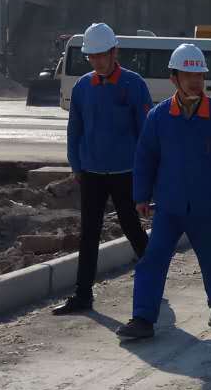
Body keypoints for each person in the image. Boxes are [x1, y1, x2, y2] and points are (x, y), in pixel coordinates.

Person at [119, 44, 211, 341]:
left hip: (208, 205)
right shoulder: (159, 116)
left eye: (199, 75)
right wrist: (141, 196)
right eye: (188, 75)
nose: (194, 81)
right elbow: (145, 158)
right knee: (153, 259)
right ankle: (143, 318)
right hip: (169, 206)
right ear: (174, 78)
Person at [55, 22, 152, 315]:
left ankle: (154, 275)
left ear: (114, 52)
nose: (97, 61)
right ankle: (83, 295)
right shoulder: (83, 87)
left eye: (101, 55)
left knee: (131, 226)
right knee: (89, 233)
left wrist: (147, 173)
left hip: (125, 172)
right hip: (92, 173)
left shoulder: (134, 85)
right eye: (92, 57)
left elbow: (146, 133)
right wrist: (76, 164)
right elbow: (75, 129)